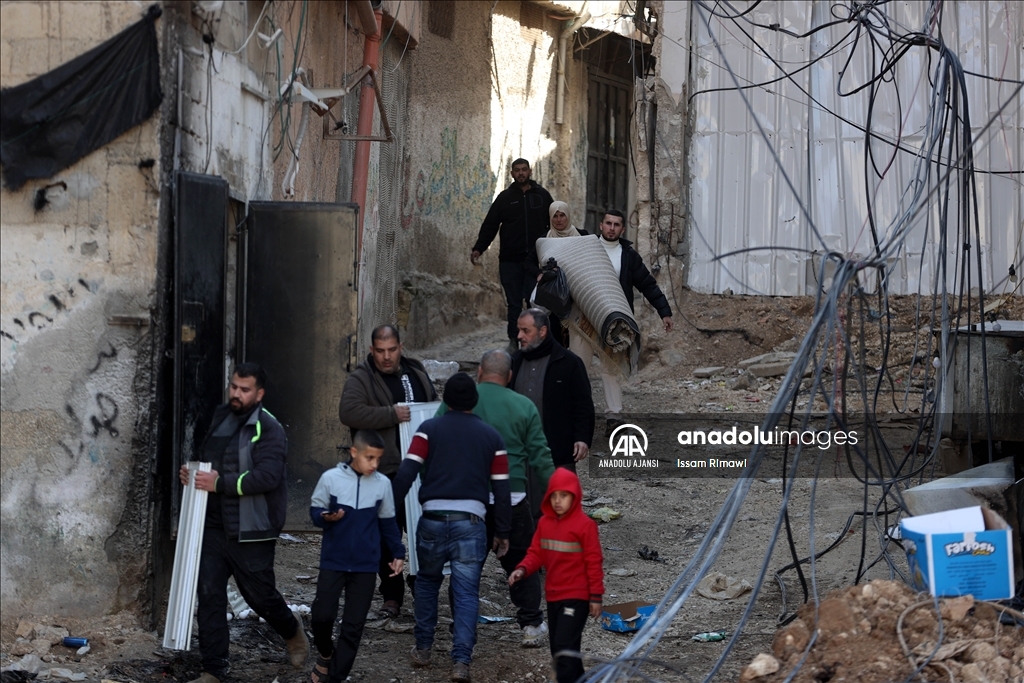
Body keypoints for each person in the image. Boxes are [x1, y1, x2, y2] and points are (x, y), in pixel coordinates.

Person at [179, 362, 308, 683]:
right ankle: (213, 670)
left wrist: (219, 483)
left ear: (259, 393)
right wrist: (193, 475)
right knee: (209, 595)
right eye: (234, 386)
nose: (236, 394)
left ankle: (292, 630)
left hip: (252, 528)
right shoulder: (221, 415)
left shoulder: (270, 427)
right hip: (212, 524)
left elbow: (267, 477)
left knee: (259, 596)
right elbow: (211, 462)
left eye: (244, 389)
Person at [393, 373, 512, 683]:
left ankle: (423, 649)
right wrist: (502, 532)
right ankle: (461, 662)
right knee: (466, 592)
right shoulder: (491, 437)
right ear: (474, 401)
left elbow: (406, 474)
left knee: (427, 583)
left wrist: (386, 514)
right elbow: (501, 489)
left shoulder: (428, 430)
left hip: (431, 520)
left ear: (445, 402)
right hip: (471, 525)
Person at [436, 350, 555, 647]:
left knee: (465, 568)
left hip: (467, 500)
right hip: (512, 500)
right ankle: (531, 624)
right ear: (510, 377)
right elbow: (540, 458)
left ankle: (463, 628)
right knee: (522, 564)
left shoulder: (459, 402)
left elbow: (436, 439)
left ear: (479, 373)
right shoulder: (523, 406)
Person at [337, 324, 437, 619]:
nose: (386, 357)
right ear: (372, 350)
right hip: (384, 470)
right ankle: (391, 594)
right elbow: (349, 412)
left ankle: (422, 586)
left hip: (418, 468)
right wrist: (390, 414)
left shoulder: (415, 371)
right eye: (380, 351)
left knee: (422, 530)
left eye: (391, 350)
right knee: (385, 535)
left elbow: (431, 404)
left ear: (400, 347)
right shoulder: (361, 379)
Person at [308, 429, 405, 683]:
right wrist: (325, 517)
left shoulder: (383, 484)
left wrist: (398, 552)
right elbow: (315, 511)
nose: (374, 464)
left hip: (365, 566)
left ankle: (335, 678)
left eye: (378, 459)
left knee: (353, 627)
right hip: (333, 561)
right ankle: (326, 654)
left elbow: (388, 523)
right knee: (321, 616)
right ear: (354, 452)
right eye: (369, 458)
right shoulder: (330, 479)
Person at [571, 209, 673, 431]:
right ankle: (576, 418)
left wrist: (664, 311)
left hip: (615, 321)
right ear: (601, 225)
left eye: (616, 225)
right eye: (608, 223)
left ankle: (613, 418)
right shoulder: (586, 249)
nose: (611, 228)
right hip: (584, 319)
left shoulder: (628, 255)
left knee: (612, 369)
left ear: (622, 229)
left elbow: (647, 284)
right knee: (577, 367)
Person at [509, 468, 604, 683]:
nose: (558, 501)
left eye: (563, 495)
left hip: (576, 597)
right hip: (553, 596)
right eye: (554, 495)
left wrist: (596, 597)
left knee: (564, 646)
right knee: (560, 647)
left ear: (574, 496)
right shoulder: (544, 524)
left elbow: (594, 563)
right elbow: (536, 553)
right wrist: (522, 569)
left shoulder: (585, 526)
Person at [472, 158, 554, 351]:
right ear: (512, 174)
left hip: (535, 261)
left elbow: (555, 224)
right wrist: (479, 248)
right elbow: (490, 225)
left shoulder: (542, 196)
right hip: (510, 260)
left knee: (534, 302)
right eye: (517, 170)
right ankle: (513, 341)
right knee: (514, 303)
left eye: (524, 170)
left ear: (530, 171)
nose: (521, 173)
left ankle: (537, 341)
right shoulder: (505, 198)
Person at [510, 308, 595, 472]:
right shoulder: (513, 362)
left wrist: (582, 438)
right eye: (519, 330)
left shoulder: (569, 363)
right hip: (519, 454)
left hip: (559, 453)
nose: (519, 336)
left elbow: (583, 404)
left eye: (525, 331)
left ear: (542, 331)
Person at [532, 200, 586, 345]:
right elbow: (529, 262)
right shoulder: (544, 240)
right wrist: (539, 274)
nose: (559, 220)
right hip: (554, 293)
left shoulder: (582, 236)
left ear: (568, 216)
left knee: (575, 333)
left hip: (576, 291)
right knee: (554, 329)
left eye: (562, 215)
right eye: (555, 216)